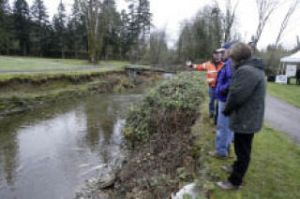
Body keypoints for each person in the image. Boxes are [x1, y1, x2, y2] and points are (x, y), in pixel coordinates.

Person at [216, 42, 266, 190]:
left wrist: (226, 109)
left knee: (243, 150)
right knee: (240, 147)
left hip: (246, 118)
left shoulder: (246, 71)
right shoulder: (252, 68)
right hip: (248, 117)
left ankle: (234, 181)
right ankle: (235, 168)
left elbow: (237, 95)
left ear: (238, 58)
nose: (230, 61)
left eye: (232, 58)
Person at [209, 42, 235, 158]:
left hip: (225, 99)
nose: (221, 54)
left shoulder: (230, 64)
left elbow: (231, 82)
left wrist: (221, 90)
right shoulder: (230, 63)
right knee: (227, 126)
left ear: (230, 51)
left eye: (223, 51)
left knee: (223, 126)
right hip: (226, 98)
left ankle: (221, 151)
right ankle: (226, 146)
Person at [191, 50, 224, 119]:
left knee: (219, 102)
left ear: (221, 55)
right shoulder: (208, 64)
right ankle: (211, 113)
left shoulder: (224, 64)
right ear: (213, 55)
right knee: (211, 101)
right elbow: (199, 66)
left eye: (218, 54)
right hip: (211, 87)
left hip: (220, 87)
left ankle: (217, 115)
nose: (217, 55)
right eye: (215, 54)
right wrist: (191, 65)